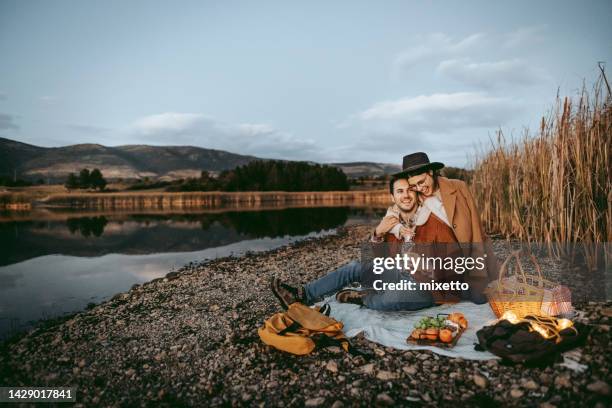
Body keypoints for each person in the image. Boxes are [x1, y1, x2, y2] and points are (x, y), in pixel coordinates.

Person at [271, 176, 436, 311]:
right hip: (401, 275)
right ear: (393, 197)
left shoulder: (431, 217)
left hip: (426, 286)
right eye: (400, 191)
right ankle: (303, 295)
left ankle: (363, 299)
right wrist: (378, 234)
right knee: (355, 267)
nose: (406, 195)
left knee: (394, 297)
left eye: (409, 190)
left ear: (416, 193)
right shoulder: (391, 219)